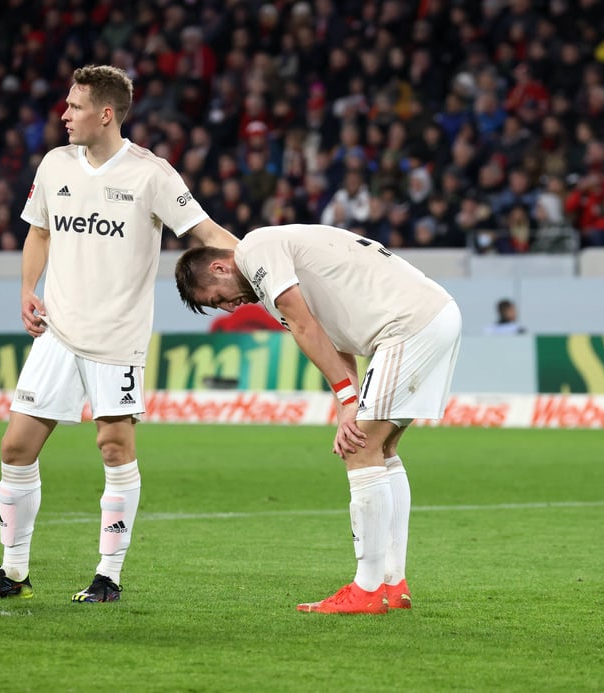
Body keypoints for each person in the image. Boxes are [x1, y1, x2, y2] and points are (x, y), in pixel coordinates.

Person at [0, 65, 238, 603]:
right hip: (57, 330)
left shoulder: (152, 175)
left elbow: (203, 232)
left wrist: (258, 262)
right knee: (15, 448)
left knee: (113, 447)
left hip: (116, 337)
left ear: (106, 114)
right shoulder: (55, 164)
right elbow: (39, 231)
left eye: (75, 107)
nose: (64, 115)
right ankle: (12, 574)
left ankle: (109, 576)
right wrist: (26, 289)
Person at [174, 224, 461, 614]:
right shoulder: (271, 275)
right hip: (429, 317)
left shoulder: (256, 251)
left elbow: (306, 327)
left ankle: (367, 589)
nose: (227, 307)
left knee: (359, 448)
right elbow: (328, 339)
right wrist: (348, 400)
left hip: (408, 325)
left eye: (217, 298)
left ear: (221, 268)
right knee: (382, 447)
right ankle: (393, 583)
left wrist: (347, 402)